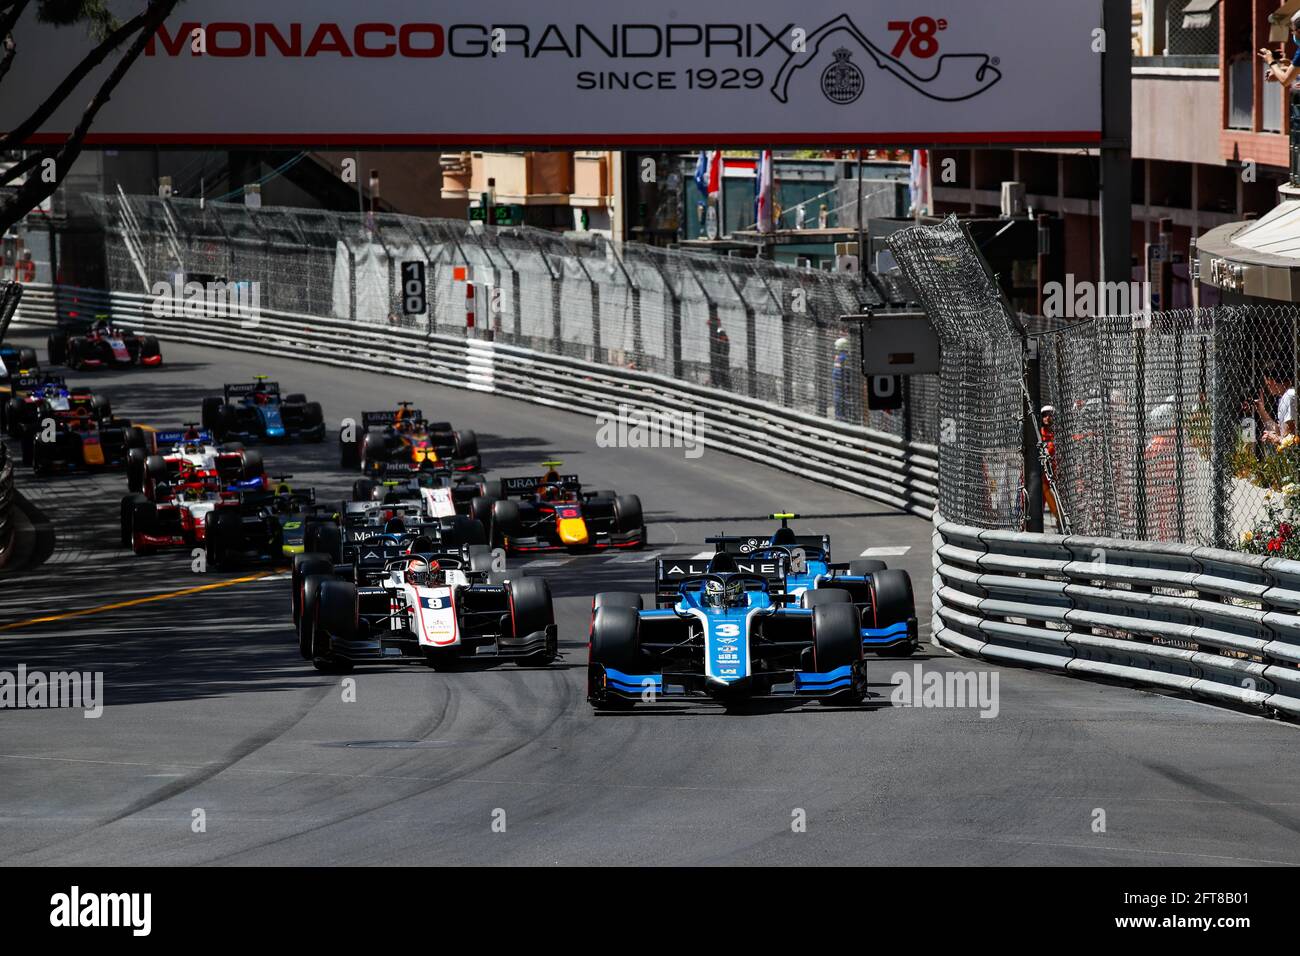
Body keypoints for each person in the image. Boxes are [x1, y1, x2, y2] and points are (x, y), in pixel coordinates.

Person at [1255, 368, 1296, 446]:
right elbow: (1280, 432)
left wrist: (1276, 439)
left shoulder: (1290, 396)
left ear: (1270, 381)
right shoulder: (1285, 396)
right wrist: (1261, 410)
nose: (1267, 387)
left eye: (1267, 384)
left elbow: (1289, 438)